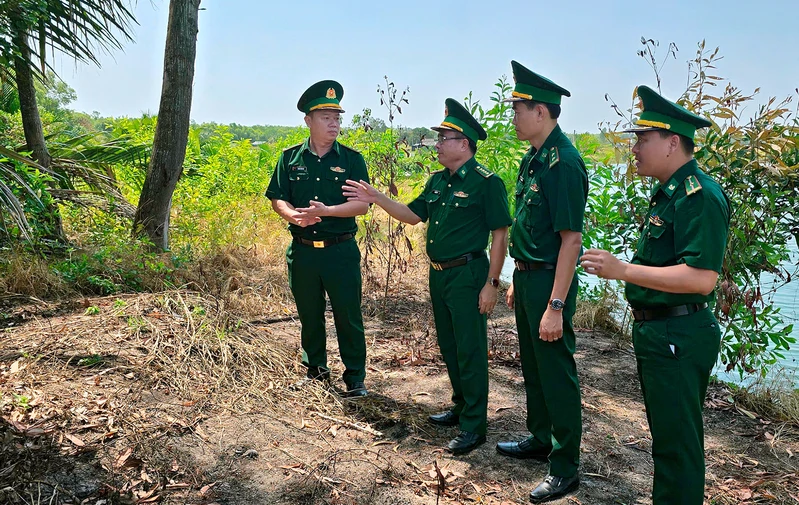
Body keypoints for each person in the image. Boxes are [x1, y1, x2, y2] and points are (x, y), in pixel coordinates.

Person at [580, 85, 730, 505]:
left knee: (678, 445)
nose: (635, 148)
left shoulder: (699, 196)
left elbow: (702, 279)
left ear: (673, 142)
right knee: (667, 440)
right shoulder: (668, 192)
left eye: (643, 139)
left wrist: (623, 270)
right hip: (662, 332)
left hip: (679, 333)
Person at [343, 98, 511, 454]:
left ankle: (474, 426)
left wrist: (492, 283)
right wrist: (375, 197)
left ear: (463, 144)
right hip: (440, 276)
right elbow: (412, 214)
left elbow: (500, 234)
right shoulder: (438, 181)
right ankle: (461, 405)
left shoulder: (487, 183)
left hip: (468, 273)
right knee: (450, 345)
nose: (437, 144)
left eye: (443, 138)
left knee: (470, 349)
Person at [494, 61, 587, 503]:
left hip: (552, 280)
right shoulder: (534, 157)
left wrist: (556, 304)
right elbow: (532, 229)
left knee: (556, 371)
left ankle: (565, 464)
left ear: (542, 112)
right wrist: (517, 276)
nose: (512, 115)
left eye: (518, 108)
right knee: (533, 365)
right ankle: (541, 438)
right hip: (530, 277)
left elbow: (571, 241)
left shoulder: (563, 163)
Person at [265, 80, 370, 398]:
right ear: (308, 121)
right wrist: (291, 215)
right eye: (326, 117)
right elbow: (277, 197)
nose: (334, 123)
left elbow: (362, 205)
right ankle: (316, 371)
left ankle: (355, 378)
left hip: (340, 251)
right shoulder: (290, 159)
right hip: (303, 252)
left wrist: (329, 210)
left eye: (337, 117)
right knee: (309, 315)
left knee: (348, 315)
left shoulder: (352, 160)